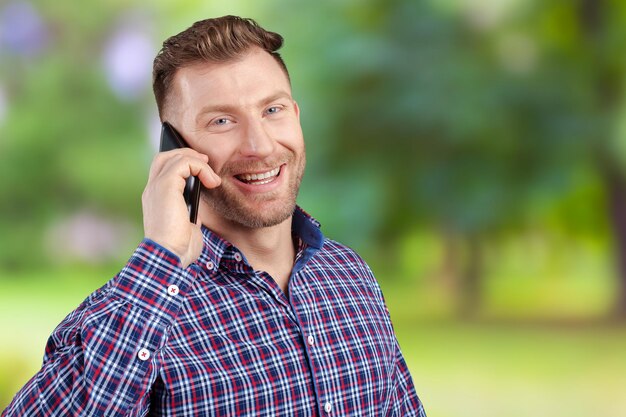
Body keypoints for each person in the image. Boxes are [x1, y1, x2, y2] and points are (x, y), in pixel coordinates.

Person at [2, 15, 427, 417]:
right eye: (222, 121)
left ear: (296, 118)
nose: (259, 145)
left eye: (272, 110)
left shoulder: (351, 276)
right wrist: (163, 254)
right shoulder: (135, 316)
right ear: (174, 149)